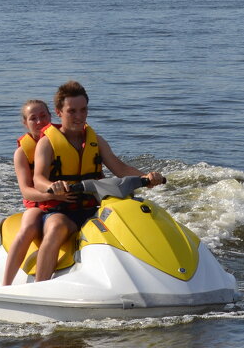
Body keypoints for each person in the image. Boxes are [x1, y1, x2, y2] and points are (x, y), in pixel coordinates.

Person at [32, 80, 166, 282]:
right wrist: (53, 186)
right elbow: (38, 178)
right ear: (59, 112)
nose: (79, 116)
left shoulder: (96, 141)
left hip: (93, 207)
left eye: (83, 110)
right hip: (61, 210)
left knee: (132, 216)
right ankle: (39, 286)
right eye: (72, 111)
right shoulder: (47, 143)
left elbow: (120, 168)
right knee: (56, 228)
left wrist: (147, 177)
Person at [1, 99, 75, 286]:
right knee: (28, 227)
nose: (40, 121)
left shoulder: (63, 140)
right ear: (25, 123)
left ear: (51, 116)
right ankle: (5, 284)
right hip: (39, 202)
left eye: (43, 116)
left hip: (66, 202)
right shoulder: (22, 153)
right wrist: (51, 195)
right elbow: (27, 191)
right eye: (33, 118)